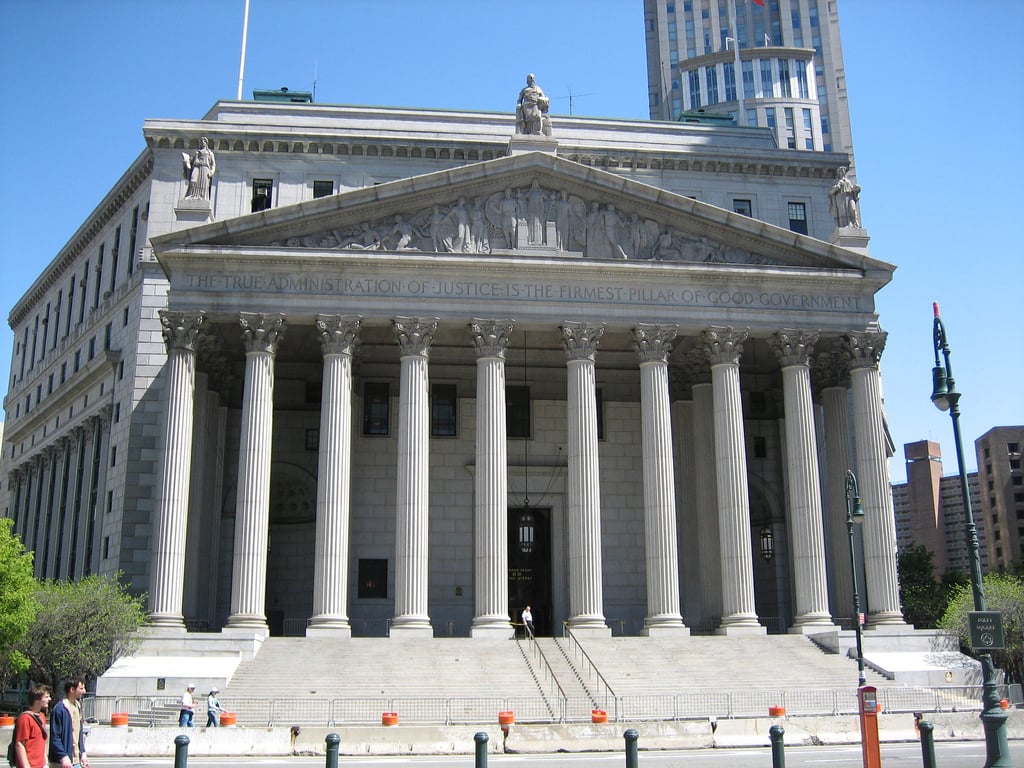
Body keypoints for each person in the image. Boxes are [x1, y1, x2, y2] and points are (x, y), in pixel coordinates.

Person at [49, 678, 89, 768]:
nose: (84, 691)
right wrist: (63, 756)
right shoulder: (60, 709)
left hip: (76, 761)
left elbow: (79, 733)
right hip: (62, 762)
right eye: (81, 688)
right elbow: (55, 737)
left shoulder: (77, 706)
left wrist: (83, 753)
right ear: (72, 690)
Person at [13, 685, 50, 768]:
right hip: (30, 765)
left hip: (41, 764)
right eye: (46, 697)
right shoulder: (25, 718)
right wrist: (26, 766)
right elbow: (20, 744)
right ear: (37, 700)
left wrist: (45, 761)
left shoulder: (42, 716)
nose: (49, 699)